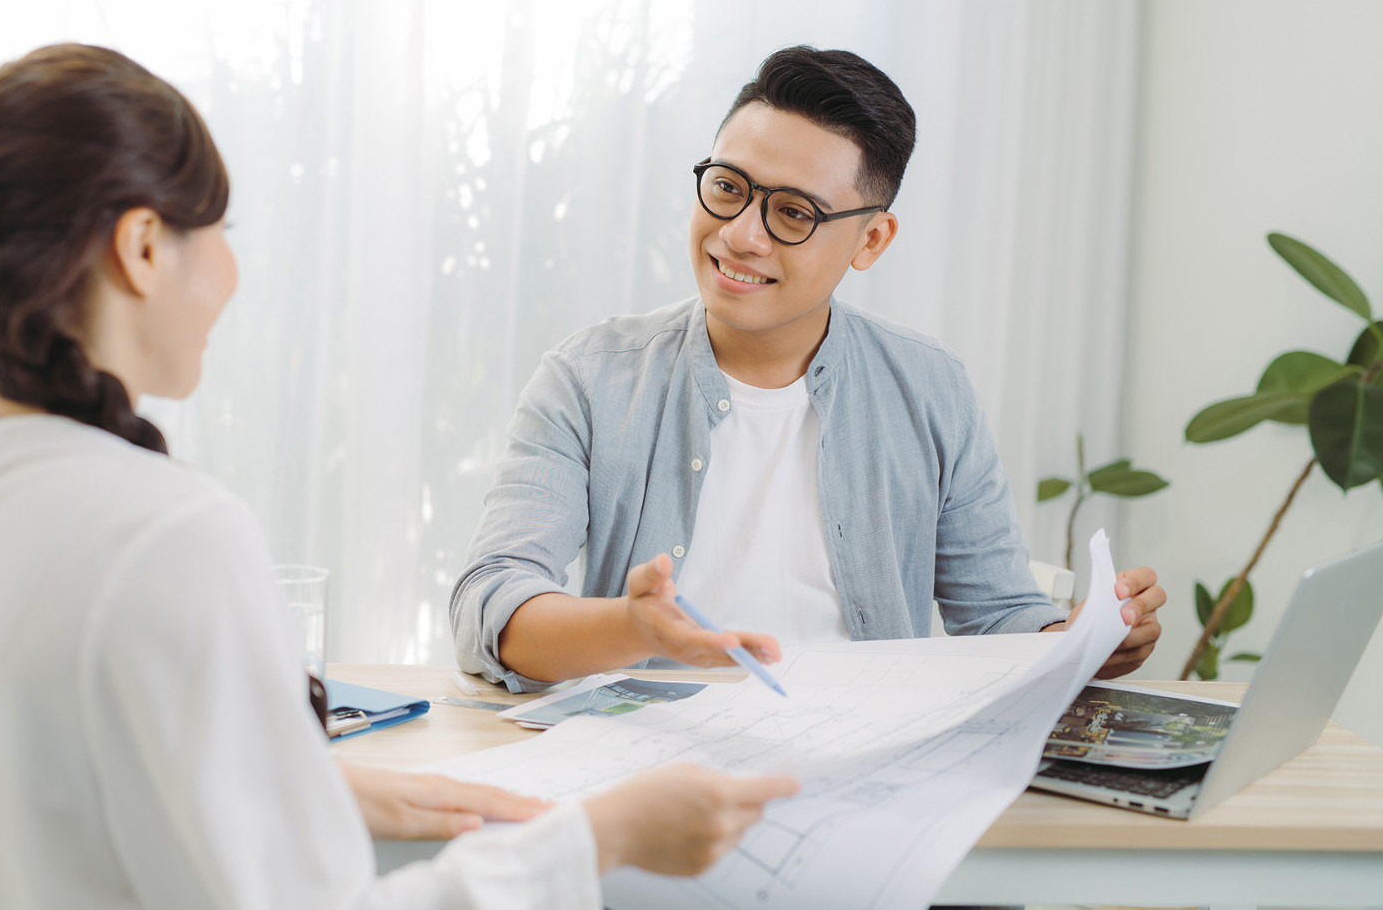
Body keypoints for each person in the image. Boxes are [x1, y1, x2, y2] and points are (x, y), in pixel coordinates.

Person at [0, 44, 798, 910]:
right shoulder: (167, 533)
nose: (230, 274)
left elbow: (32, 791)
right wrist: (600, 838)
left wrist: (301, 784)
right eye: (218, 229)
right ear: (141, 247)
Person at [451, 46, 1167, 693]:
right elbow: (493, 600)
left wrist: (1082, 643)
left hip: (866, 762)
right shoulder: (588, 380)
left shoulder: (930, 388)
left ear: (871, 240)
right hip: (648, 768)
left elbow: (999, 618)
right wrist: (631, 630)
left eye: (793, 214)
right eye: (728, 187)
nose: (741, 235)